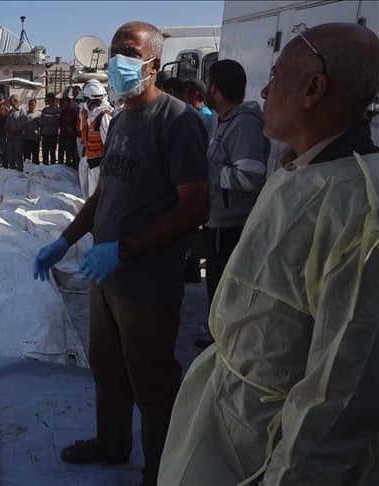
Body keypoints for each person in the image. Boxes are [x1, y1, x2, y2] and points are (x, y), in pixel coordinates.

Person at [160, 23, 379, 485]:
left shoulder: (360, 206)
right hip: (232, 415)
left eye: (275, 77)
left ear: (313, 88)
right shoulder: (299, 169)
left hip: (268, 447)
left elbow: (341, 389)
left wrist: (286, 474)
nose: (263, 91)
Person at [33, 21, 209, 486]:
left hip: (146, 280)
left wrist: (127, 249)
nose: (117, 61)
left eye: (129, 52)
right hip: (105, 276)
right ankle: (112, 442)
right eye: (113, 52)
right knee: (107, 366)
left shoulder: (177, 121)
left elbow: (195, 206)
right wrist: (65, 240)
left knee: (151, 379)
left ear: (153, 63)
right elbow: (104, 193)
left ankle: (160, 470)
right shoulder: (123, 119)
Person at [199, 59, 269, 339]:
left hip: (230, 225)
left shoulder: (243, 124)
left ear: (214, 89)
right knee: (217, 289)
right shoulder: (226, 121)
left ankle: (222, 342)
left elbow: (251, 176)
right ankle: (217, 337)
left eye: (208, 84)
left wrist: (208, 172)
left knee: (224, 289)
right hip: (218, 220)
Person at [78, 80, 113, 199]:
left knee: (97, 198)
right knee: (90, 195)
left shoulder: (103, 117)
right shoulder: (93, 115)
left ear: (92, 100)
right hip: (91, 161)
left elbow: (109, 144)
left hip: (99, 164)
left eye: (86, 100)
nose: (85, 103)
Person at [4, 94, 27, 170]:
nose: (9, 102)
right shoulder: (10, 112)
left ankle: (20, 170)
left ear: (16, 101)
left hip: (18, 137)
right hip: (10, 137)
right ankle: (12, 171)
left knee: (18, 154)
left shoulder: (22, 111)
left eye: (10, 100)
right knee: (10, 154)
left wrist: (14, 132)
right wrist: (9, 132)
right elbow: (7, 124)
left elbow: (22, 124)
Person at [58, 96, 78, 166]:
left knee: (69, 155)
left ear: (68, 103)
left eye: (63, 102)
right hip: (62, 136)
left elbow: (76, 124)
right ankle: (60, 169)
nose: (61, 104)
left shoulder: (73, 112)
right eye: (61, 102)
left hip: (70, 137)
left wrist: (72, 130)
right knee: (60, 155)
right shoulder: (61, 112)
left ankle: (68, 169)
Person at [40, 93, 60, 165]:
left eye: (46, 99)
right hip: (45, 134)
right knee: (44, 153)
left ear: (51, 100)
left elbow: (55, 121)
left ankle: (52, 168)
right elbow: (41, 121)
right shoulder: (44, 110)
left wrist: (47, 120)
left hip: (53, 135)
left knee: (52, 153)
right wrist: (48, 120)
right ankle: (45, 168)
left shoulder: (57, 110)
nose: (45, 100)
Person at [23, 99, 41, 164]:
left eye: (33, 105)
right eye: (30, 105)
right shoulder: (25, 114)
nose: (31, 106)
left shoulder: (39, 114)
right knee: (27, 157)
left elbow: (41, 126)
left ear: (35, 105)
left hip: (35, 139)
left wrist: (39, 136)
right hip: (27, 138)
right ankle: (27, 169)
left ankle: (36, 169)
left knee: (35, 157)